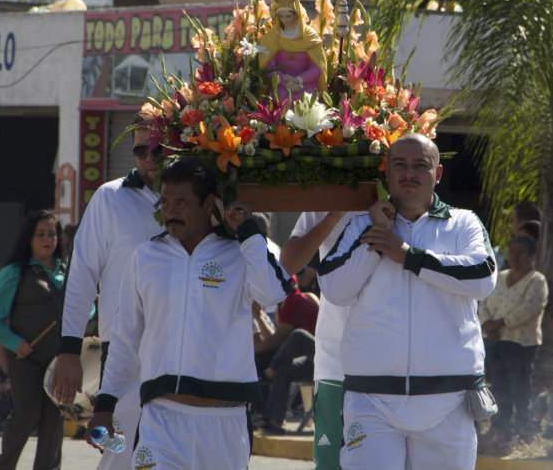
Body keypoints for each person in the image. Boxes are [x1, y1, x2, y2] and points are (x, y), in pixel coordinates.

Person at [88, 159, 293, 470]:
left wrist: (248, 231)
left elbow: (273, 293)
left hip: (226, 423)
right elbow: (125, 337)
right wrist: (105, 404)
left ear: (209, 203)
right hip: (162, 420)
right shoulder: (145, 257)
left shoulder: (239, 254)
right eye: (166, 202)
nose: (170, 211)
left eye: (181, 203)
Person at [317, 134, 498, 470]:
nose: (409, 173)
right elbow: (334, 288)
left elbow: (484, 276)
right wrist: (377, 236)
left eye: (420, 165)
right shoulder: (361, 224)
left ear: (438, 174)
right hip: (372, 403)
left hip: (448, 402)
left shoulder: (463, 223)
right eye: (399, 165)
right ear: (387, 173)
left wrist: (406, 255)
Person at [49, 120, 162, 470]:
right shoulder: (110, 198)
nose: (149, 157)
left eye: (157, 148)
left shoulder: (199, 201)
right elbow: (81, 275)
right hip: (124, 353)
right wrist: (69, 351)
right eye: (140, 150)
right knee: (121, 457)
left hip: (182, 353)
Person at [0, 209, 66, 470]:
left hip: (60, 360)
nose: (47, 239)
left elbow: (81, 311)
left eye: (51, 234)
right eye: (40, 234)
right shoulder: (14, 273)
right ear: (28, 238)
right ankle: (4, 466)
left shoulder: (67, 272)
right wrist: (15, 342)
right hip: (25, 358)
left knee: (55, 420)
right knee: (27, 414)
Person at [279, 210, 361, 469]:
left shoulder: (407, 194)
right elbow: (288, 263)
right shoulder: (326, 200)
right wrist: (333, 214)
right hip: (335, 364)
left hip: (391, 371)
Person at [479, 235, 548, 448]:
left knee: (519, 389)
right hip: (495, 341)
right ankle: (501, 431)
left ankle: (521, 432)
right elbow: (483, 302)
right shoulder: (499, 277)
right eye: (512, 252)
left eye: (520, 252)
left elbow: (530, 308)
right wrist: (488, 324)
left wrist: (499, 323)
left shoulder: (537, 280)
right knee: (499, 388)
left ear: (531, 256)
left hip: (520, 344)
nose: (515, 257)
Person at [258, 0, 327, 102]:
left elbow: (317, 67)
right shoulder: (272, 37)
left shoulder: (309, 36)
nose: (285, 20)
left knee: (307, 99)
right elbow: (269, 66)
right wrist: (285, 82)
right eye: (281, 16)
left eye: (288, 16)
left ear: (296, 15)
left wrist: (299, 80)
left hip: (306, 85)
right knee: (281, 97)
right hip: (281, 86)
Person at [260, 290, 320, 434]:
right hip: (317, 361)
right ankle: (273, 422)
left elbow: (277, 339)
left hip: (334, 358)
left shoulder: (307, 298)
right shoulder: (301, 300)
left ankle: (271, 369)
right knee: (284, 369)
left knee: (298, 335)